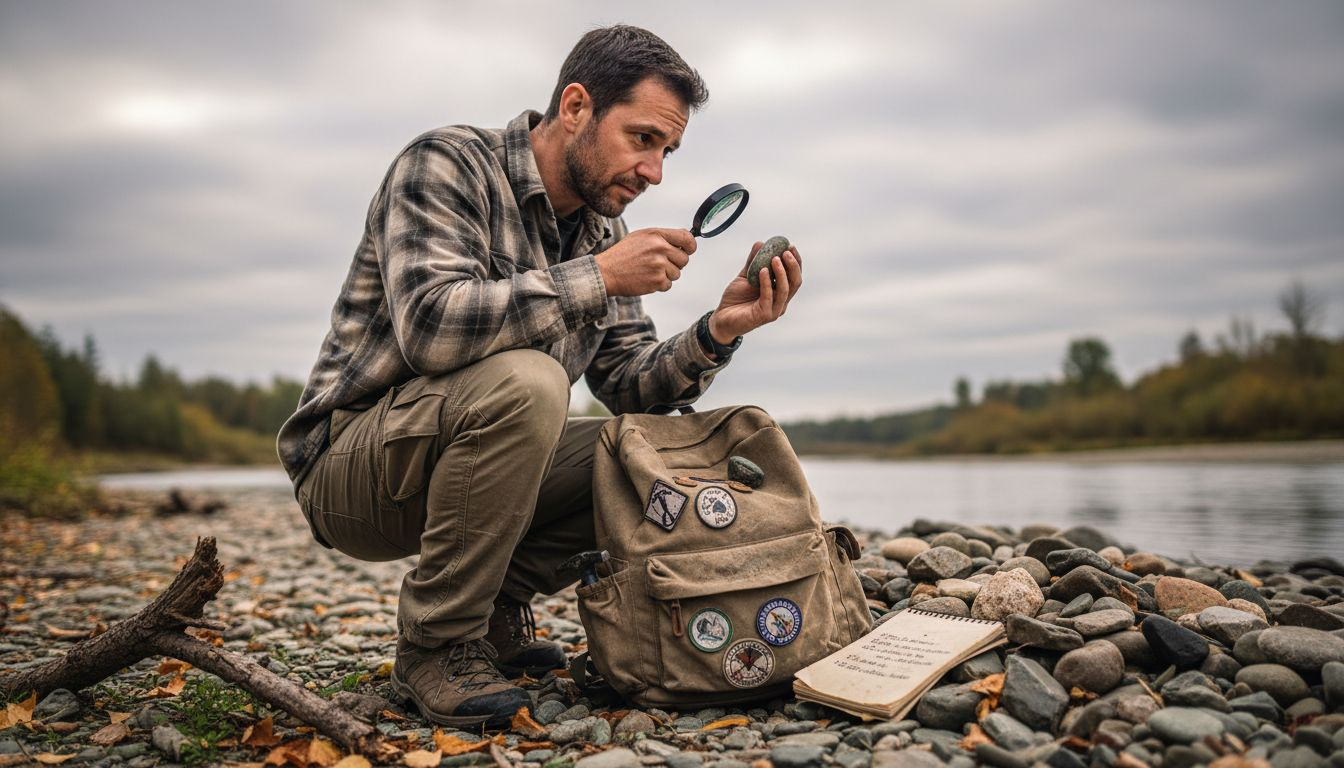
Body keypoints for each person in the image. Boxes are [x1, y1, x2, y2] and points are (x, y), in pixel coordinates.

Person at [276, 24, 803, 728]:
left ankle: (495, 607)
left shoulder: (602, 231)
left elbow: (629, 384)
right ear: (576, 107)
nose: (654, 173)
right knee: (530, 383)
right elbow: (430, 326)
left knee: (649, 453)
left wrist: (718, 331)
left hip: (467, 464)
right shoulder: (446, 164)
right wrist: (599, 277)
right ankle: (436, 643)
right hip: (350, 471)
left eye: (667, 152)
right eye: (643, 139)